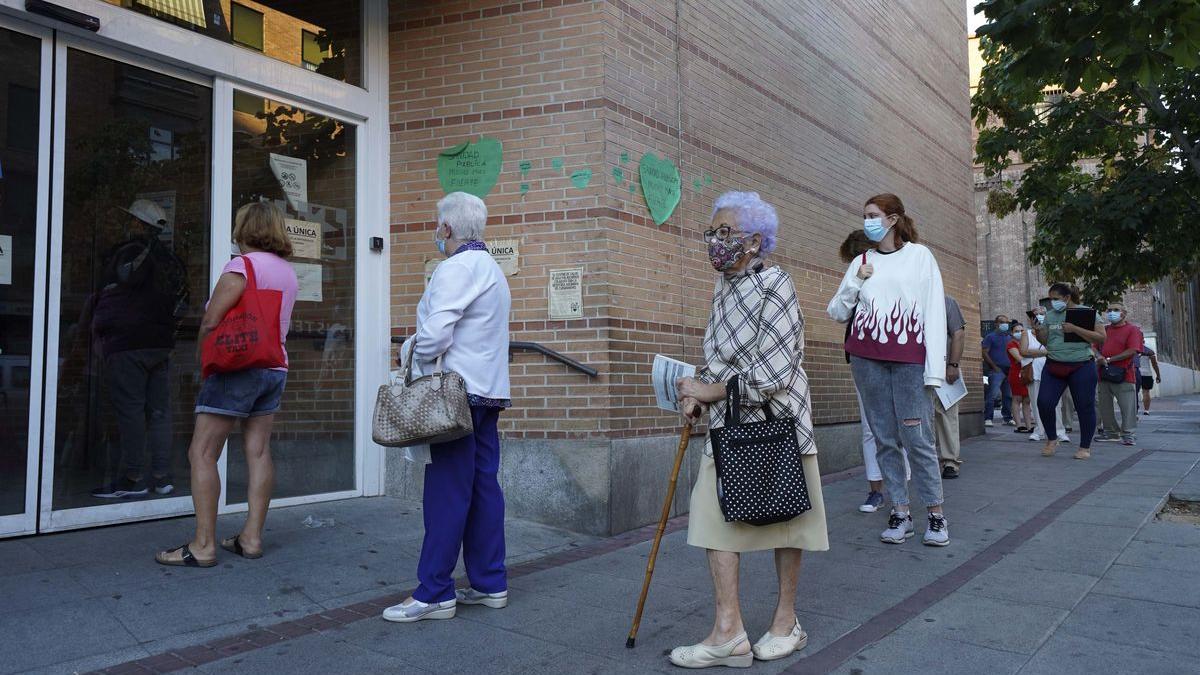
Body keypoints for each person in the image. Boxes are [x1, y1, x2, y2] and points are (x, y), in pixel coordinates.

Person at [671, 191, 828, 667]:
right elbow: (719, 359)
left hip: (778, 426)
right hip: (728, 428)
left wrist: (709, 390)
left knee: (788, 525)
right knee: (712, 521)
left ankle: (786, 623)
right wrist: (695, 394)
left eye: (725, 233)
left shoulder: (776, 283)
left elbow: (774, 368)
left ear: (755, 242)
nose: (715, 242)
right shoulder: (723, 287)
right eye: (711, 233)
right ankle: (728, 632)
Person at [383, 192, 513, 623]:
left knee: (445, 494)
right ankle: (489, 581)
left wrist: (409, 350)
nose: (436, 232)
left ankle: (435, 591)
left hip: (453, 398)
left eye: (438, 225)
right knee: (482, 490)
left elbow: (436, 337)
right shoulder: (492, 268)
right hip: (488, 393)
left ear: (447, 228)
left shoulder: (454, 268)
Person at [155, 202, 297, 567]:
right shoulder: (287, 271)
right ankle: (251, 538)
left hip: (236, 367)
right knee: (259, 451)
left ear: (245, 228)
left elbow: (211, 321)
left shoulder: (242, 266)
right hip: (274, 367)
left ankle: (203, 545)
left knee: (202, 452)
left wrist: (205, 363)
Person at [828, 193, 950, 547]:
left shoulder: (920, 257)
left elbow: (934, 313)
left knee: (918, 438)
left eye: (873, 215)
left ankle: (936, 516)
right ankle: (900, 512)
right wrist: (857, 280)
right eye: (864, 214)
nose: (867, 220)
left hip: (910, 360)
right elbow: (837, 311)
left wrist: (935, 372)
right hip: (867, 359)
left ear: (893, 219)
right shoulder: (862, 261)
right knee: (884, 439)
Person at [89, 200, 188, 499]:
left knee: (130, 411)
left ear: (137, 224)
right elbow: (183, 302)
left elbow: (109, 290)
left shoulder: (126, 252)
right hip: (160, 345)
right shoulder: (171, 260)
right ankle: (162, 476)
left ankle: (132, 478)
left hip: (128, 344)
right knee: (159, 412)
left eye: (131, 220)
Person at [838, 231, 910, 511]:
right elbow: (840, 311)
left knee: (901, 426)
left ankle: (900, 490)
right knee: (871, 427)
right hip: (865, 361)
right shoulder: (856, 281)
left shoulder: (899, 277)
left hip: (899, 359)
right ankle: (876, 489)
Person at [1034, 283, 1106, 460]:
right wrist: (1038, 329)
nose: (1052, 303)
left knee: (1084, 406)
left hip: (1081, 365)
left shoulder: (1087, 313)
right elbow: (1044, 340)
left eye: (1055, 299)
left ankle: (1084, 447)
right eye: (1050, 299)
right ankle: (1052, 439)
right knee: (1044, 402)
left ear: (1067, 298)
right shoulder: (1050, 316)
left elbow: (1101, 337)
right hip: (1054, 364)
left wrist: (1075, 329)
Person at [1094, 303, 1143, 446]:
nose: (1111, 313)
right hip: (1103, 373)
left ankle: (1128, 434)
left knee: (1127, 406)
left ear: (1124, 313)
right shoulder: (1104, 330)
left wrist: (1109, 359)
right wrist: (1099, 357)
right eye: (1109, 310)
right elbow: (1093, 347)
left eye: (1116, 310)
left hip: (1124, 374)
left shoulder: (1132, 330)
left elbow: (1133, 350)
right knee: (1104, 405)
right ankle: (1111, 433)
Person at [1021, 306, 1069, 443]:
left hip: (1052, 369)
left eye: (1043, 313)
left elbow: (1058, 349)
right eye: (1036, 314)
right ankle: (1039, 431)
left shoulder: (1053, 331)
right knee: (1036, 402)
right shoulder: (1027, 333)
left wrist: (1036, 353)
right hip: (1034, 371)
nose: (1040, 316)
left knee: (1055, 403)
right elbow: (1024, 351)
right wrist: (1045, 352)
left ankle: (1059, 431)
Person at [935, 295, 966, 479]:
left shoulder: (946, 302)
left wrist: (953, 365)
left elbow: (958, 333)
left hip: (944, 367)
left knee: (947, 415)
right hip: (915, 369)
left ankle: (950, 461)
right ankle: (926, 460)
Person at [981, 315, 1014, 428]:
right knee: (993, 394)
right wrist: (994, 366)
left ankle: (1007, 418)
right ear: (996, 323)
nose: (1005, 324)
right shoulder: (990, 337)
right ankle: (988, 418)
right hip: (997, 370)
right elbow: (984, 352)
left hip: (1009, 370)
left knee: (1008, 395)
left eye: (1006, 322)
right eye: (1002, 322)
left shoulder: (1010, 337)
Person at [1006, 321, 1033, 433]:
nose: (1020, 333)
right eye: (1016, 331)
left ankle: (1029, 426)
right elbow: (1020, 358)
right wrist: (1032, 354)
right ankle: (1019, 425)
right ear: (1012, 333)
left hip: (1028, 373)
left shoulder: (1028, 343)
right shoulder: (1011, 344)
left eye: (1022, 330)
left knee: (1027, 400)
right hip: (1016, 374)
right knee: (1017, 399)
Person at [1137, 343, 1162, 414]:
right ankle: (1146, 410)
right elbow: (1154, 364)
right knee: (1146, 392)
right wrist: (1158, 375)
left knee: (1134, 392)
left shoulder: (1133, 349)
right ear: (1143, 341)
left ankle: (1134, 411)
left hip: (1136, 373)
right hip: (1147, 374)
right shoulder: (1149, 351)